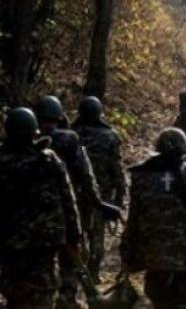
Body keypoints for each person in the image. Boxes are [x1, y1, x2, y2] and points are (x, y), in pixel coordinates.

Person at [121, 128, 186, 309]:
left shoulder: (141, 177)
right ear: (185, 148)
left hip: (155, 259)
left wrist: (127, 253)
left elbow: (133, 220)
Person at [35, 95, 122, 308]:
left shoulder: (24, 142)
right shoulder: (70, 139)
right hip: (70, 205)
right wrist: (101, 202)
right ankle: (69, 295)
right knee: (73, 250)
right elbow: (87, 174)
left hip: (32, 214)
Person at [0, 108, 82, 309]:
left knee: (14, 290)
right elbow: (68, 200)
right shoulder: (48, 160)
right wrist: (74, 237)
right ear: (34, 132)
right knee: (42, 292)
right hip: (44, 242)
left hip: (9, 242)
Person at [71, 96, 127, 282]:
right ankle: (93, 272)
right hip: (100, 194)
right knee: (97, 235)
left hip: (74, 192)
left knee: (77, 232)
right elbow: (116, 169)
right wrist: (119, 197)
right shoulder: (109, 136)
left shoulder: (71, 135)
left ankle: (77, 272)